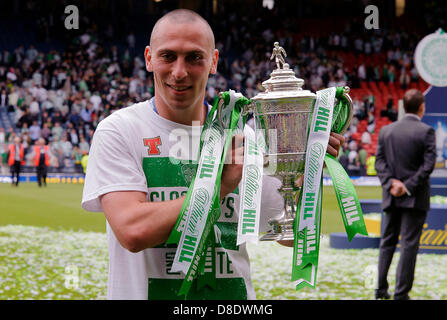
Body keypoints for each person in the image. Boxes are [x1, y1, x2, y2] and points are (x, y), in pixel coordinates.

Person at [81, 9, 344, 300]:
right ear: (149, 58)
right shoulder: (119, 131)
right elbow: (133, 231)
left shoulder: (245, 137)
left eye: (194, 57)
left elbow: (290, 237)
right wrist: (219, 186)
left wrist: (303, 174)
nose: (179, 72)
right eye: (168, 56)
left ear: (213, 62)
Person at [374, 89, 436, 300]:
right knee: (408, 245)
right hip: (415, 197)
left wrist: (392, 184)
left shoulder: (386, 131)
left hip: (391, 195)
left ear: (403, 107)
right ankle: (401, 294)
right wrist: (406, 186)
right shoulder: (427, 131)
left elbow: (379, 163)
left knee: (387, 242)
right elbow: (428, 166)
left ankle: (380, 290)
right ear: (422, 107)